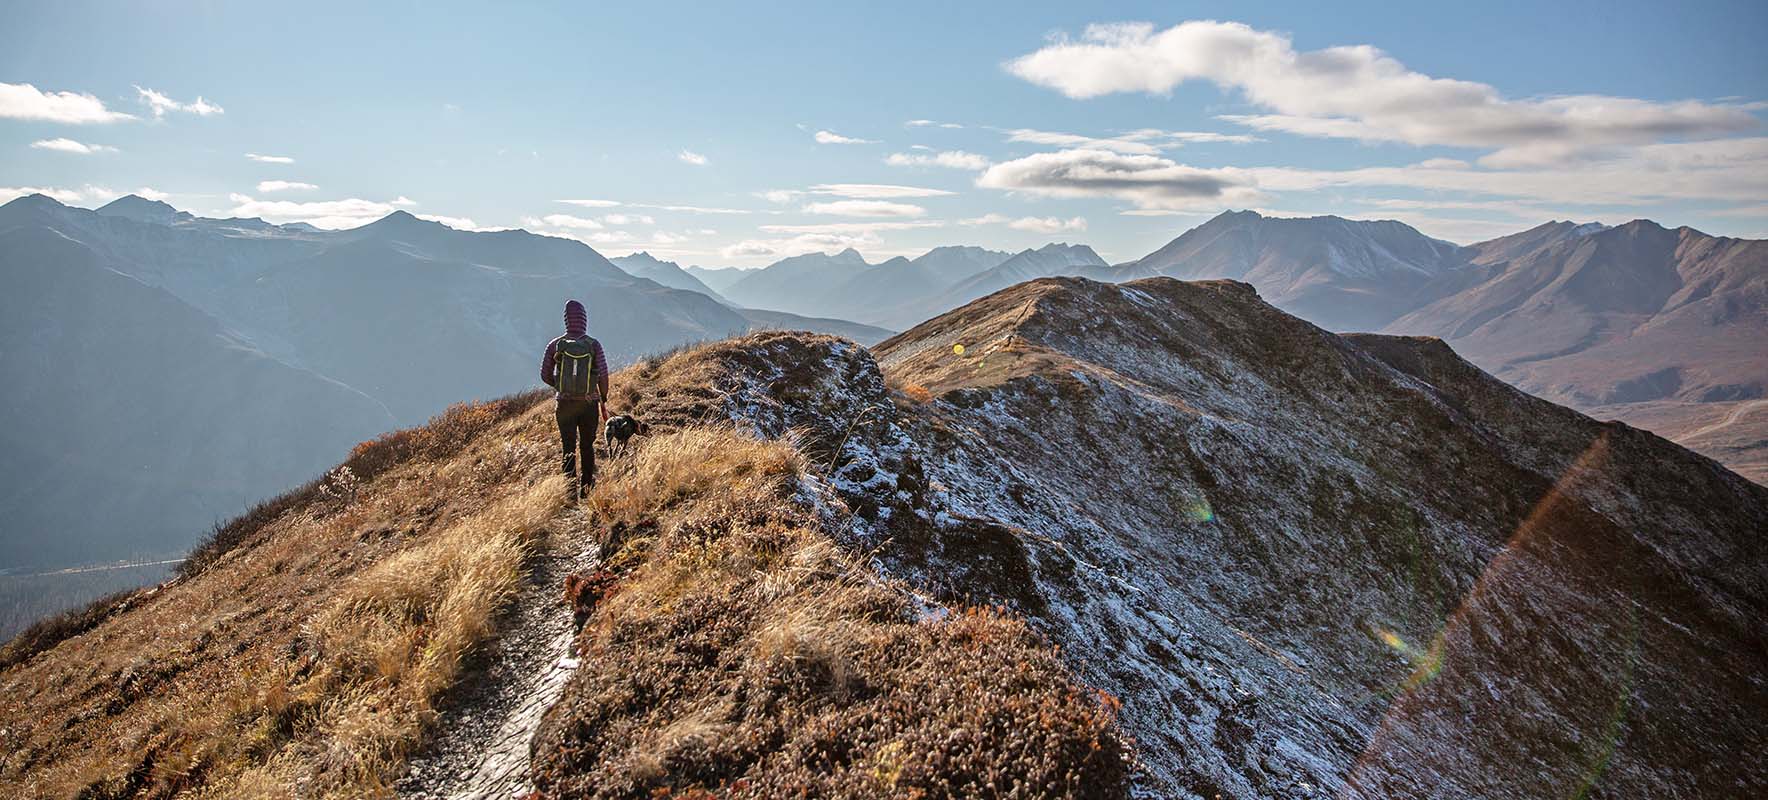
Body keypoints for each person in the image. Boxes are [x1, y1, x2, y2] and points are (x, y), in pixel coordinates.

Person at [541, 299, 609, 496]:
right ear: (584, 320)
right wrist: (603, 398)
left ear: (566, 320)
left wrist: (561, 386)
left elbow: (545, 374)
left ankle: (569, 492)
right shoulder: (593, 345)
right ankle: (586, 490)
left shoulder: (555, 345)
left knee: (568, 446)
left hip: (564, 404)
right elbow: (603, 375)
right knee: (587, 446)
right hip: (589, 403)